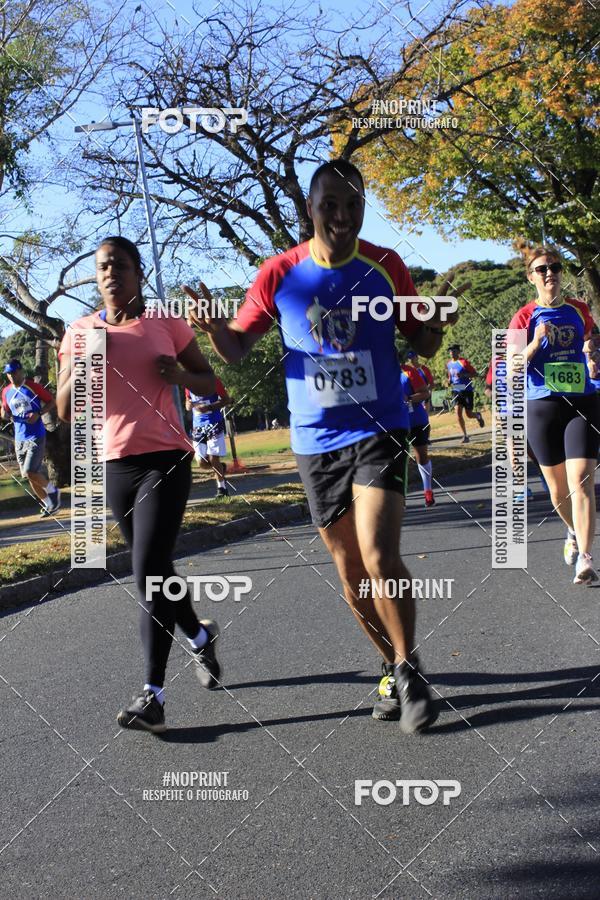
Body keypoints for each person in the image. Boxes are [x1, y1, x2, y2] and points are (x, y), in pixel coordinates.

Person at [183, 159, 462, 734]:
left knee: (380, 555)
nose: (341, 215)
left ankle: (409, 669)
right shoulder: (280, 273)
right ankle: (389, 665)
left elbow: (425, 343)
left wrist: (436, 320)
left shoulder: (386, 266)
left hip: (380, 430)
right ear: (310, 209)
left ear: (363, 208)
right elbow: (236, 348)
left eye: (353, 204)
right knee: (352, 572)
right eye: (329, 204)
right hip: (315, 444)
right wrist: (213, 331)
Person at [57, 236, 222, 733]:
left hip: (166, 458)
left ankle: (153, 695)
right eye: (103, 267)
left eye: (121, 266)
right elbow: (64, 410)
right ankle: (199, 636)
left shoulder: (164, 322)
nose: (111, 274)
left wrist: (179, 375)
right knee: (158, 567)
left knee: (147, 569)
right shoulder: (79, 331)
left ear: (138, 273)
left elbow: (208, 380)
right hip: (115, 464)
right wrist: (84, 362)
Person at [508, 246, 600, 585]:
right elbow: (512, 367)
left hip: (581, 402)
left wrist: (591, 354)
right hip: (542, 406)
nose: (550, 273)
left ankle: (585, 559)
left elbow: (589, 340)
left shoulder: (579, 309)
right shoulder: (523, 317)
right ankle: (572, 530)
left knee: (582, 480)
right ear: (530, 277)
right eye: (542, 269)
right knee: (559, 491)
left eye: (556, 267)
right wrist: (535, 343)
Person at [1, 359, 61, 516]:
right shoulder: (6, 391)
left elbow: (51, 401)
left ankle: (54, 492)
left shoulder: (32, 387)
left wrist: (39, 413)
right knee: (30, 476)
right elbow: (5, 411)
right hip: (19, 439)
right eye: (8, 374)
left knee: (29, 471)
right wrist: (4, 414)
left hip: (36, 435)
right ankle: (50, 505)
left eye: (14, 372)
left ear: (21, 371)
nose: (11, 376)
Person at [185, 377, 231, 498]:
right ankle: (221, 468)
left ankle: (222, 489)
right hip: (197, 427)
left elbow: (226, 400)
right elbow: (187, 402)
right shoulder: (188, 382)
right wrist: (188, 404)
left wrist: (209, 407)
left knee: (213, 458)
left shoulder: (213, 380)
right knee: (201, 463)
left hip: (214, 423)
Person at [400, 357, 435, 507]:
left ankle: (428, 491)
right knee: (397, 461)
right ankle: (399, 497)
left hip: (416, 420)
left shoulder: (409, 372)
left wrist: (408, 398)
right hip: (395, 424)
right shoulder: (379, 374)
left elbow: (425, 393)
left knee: (421, 457)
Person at [446, 344, 485, 441]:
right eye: (450, 351)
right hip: (456, 389)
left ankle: (478, 416)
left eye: (454, 351)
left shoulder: (463, 362)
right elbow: (450, 377)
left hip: (467, 390)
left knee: (469, 414)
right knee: (458, 413)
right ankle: (465, 435)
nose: (451, 352)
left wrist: (464, 375)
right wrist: (448, 382)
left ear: (458, 352)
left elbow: (475, 374)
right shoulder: (449, 364)